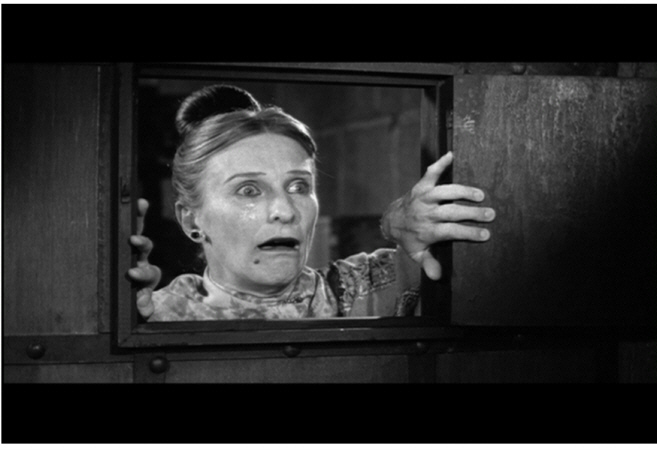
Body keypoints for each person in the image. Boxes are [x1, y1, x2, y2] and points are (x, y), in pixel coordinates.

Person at [128, 84, 495, 321]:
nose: (285, 211)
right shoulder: (153, 314)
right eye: (249, 190)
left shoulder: (363, 290)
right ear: (191, 219)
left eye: (298, 186)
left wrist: (398, 220)